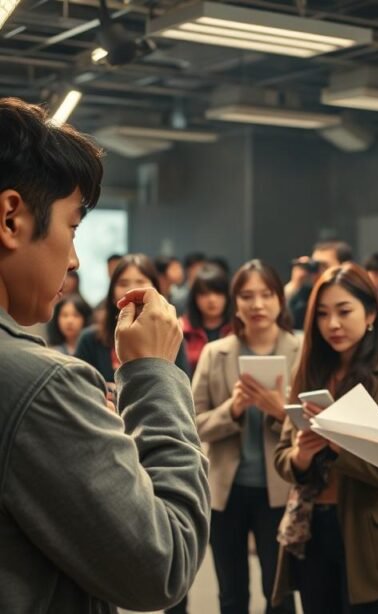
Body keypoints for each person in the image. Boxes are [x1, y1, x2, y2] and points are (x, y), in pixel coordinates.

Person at [0, 96, 209, 611]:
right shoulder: (40, 384)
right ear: (11, 219)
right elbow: (165, 564)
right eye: (72, 228)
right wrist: (154, 373)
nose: (73, 260)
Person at [273, 262, 378, 614]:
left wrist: (337, 440)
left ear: (370, 313)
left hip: (368, 532)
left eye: (344, 311)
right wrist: (302, 456)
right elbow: (282, 457)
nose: (333, 324)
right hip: (311, 527)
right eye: (322, 314)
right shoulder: (308, 371)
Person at [194, 259, 299, 614]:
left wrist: (280, 410)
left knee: (280, 594)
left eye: (266, 295)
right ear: (234, 302)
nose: (257, 305)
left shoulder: (301, 351)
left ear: (280, 299)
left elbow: (317, 425)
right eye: (247, 296)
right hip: (226, 490)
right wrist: (232, 410)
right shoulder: (216, 353)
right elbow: (192, 425)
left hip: (281, 491)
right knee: (232, 595)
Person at [76, 253, 189, 383]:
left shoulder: (171, 335)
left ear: (156, 291)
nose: (132, 289)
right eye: (123, 284)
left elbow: (181, 387)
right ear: (112, 294)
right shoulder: (89, 339)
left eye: (141, 282)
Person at [181, 263, 233, 375]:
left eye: (218, 293)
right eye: (205, 294)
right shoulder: (182, 330)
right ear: (195, 298)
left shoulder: (237, 330)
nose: (212, 299)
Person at [288, 240, 353, 328]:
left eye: (324, 266)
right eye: (315, 265)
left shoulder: (355, 294)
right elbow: (287, 323)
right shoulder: (305, 295)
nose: (317, 271)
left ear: (345, 266)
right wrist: (295, 284)